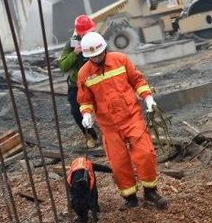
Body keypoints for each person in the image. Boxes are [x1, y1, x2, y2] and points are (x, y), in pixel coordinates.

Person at [76, 30, 168, 209]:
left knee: (146, 153)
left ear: (105, 49)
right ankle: (130, 197)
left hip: (131, 117)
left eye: (99, 54)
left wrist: (148, 97)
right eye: (92, 56)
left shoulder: (121, 59)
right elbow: (85, 99)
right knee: (118, 163)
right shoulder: (84, 73)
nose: (96, 58)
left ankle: (151, 192)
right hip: (109, 125)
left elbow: (137, 80)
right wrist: (86, 114)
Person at [59, 15, 99, 149]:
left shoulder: (96, 39)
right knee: (76, 111)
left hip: (95, 81)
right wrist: (74, 53)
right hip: (77, 84)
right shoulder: (72, 45)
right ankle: (89, 135)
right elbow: (63, 66)